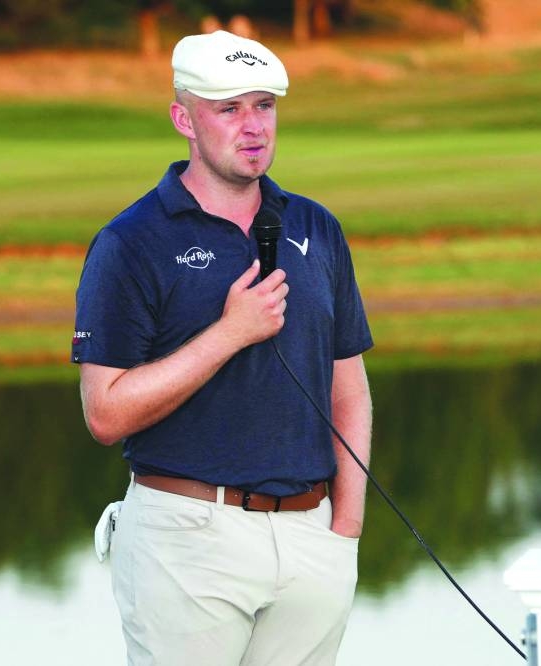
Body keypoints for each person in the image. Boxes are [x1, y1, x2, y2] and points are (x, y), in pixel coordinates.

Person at [72, 30, 373, 666]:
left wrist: (344, 530)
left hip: (311, 537)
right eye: (228, 108)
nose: (253, 126)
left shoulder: (316, 226)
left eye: (264, 105)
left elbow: (349, 386)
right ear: (185, 118)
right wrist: (230, 333)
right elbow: (105, 413)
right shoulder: (130, 243)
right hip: (185, 538)